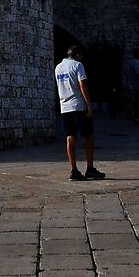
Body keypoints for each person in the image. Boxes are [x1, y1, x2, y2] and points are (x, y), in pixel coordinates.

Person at [54, 44, 105, 182]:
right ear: (78, 55)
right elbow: (83, 85)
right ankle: (90, 168)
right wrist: (89, 105)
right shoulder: (78, 65)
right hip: (78, 105)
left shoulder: (58, 67)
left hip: (65, 107)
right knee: (88, 137)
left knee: (70, 137)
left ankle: (74, 170)